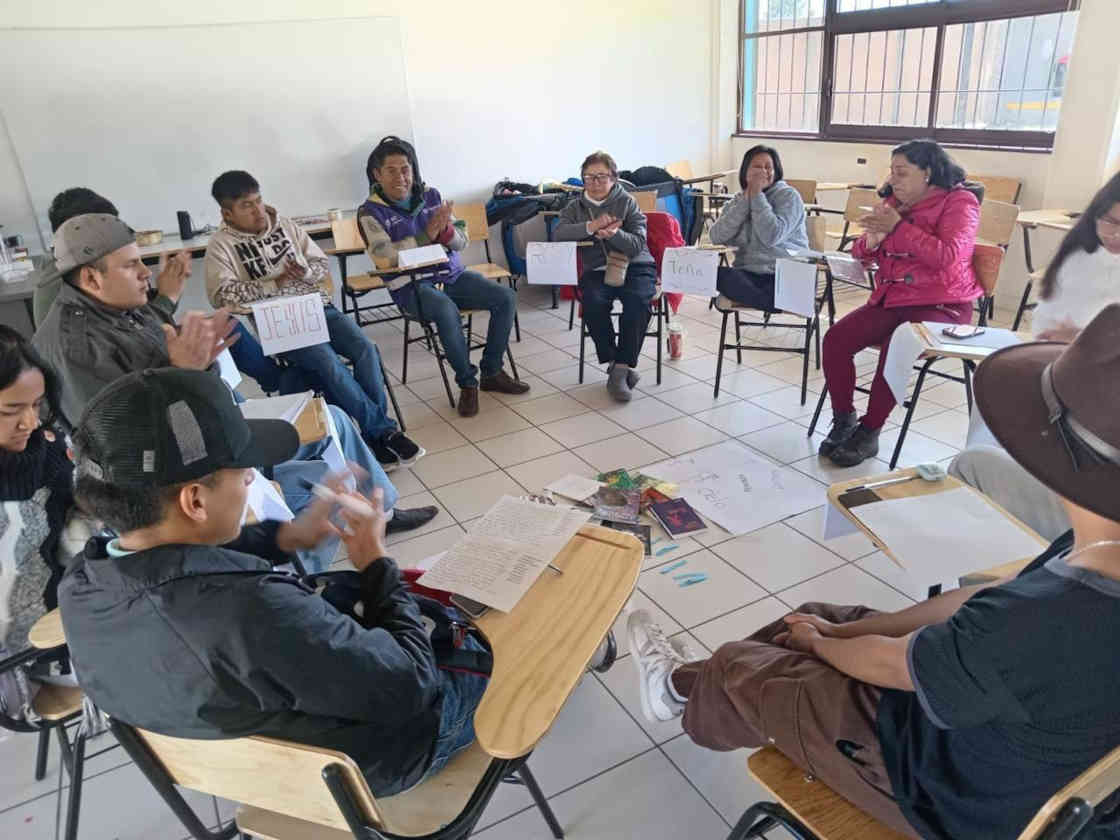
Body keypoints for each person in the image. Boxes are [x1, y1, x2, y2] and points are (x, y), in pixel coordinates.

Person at [628, 304, 1120, 840]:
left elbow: (899, 665)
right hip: (1002, 746)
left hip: (939, 789)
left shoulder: (1048, 617)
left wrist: (820, 646)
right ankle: (682, 689)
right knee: (816, 617)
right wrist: (835, 632)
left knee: (737, 663)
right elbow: (987, 603)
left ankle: (693, 693)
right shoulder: (1097, 549)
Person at [58, 367, 488, 796]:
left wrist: (285, 537)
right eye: (244, 470)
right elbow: (412, 684)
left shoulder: (82, 585)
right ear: (195, 499)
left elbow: (175, 562)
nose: (251, 477)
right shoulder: (253, 611)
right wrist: (375, 563)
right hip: (368, 769)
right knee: (489, 637)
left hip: (237, 775)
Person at [31, 214, 436, 568]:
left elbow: (148, 355)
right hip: (175, 481)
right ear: (90, 276)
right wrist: (183, 370)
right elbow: (132, 445)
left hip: (204, 428)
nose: (145, 273)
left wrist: (177, 325)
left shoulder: (105, 305)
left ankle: (381, 512)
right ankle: (299, 576)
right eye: (132, 265)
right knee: (321, 481)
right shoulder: (77, 346)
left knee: (337, 418)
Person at [205, 171, 422, 468]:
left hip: (318, 306)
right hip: (278, 323)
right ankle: (384, 431)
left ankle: (373, 437)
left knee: (366, 349)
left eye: (258, 201)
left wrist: (305, 273)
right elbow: (222, 297)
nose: (257, 210)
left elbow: (321, 264)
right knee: (327, 361)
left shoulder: (285, 225)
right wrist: (274, 284)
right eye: (246, 206)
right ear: (226, 212)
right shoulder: (221, 246)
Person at [948, 172, 1120, 539]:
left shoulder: (955, 207)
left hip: (1096, 426)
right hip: (1064, 372)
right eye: (1109, 221)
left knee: (974, 465)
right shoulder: (1083, 255)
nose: (1115, 235)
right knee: (995, 393)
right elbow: (1050, 320)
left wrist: (1085, 341)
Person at [29, 187, 311, 395]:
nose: (145, 272)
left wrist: (168, 298)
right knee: (216, 367)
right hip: (164, 407)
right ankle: (278, 384)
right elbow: (139, 413)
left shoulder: (83, 283)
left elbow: (135, 326)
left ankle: (276, 381)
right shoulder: (72, 326)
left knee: (220, 331)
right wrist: (182, 367)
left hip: (159, 379)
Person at [819, 139, 982, 467]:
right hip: (894, 299)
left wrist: (898, 227)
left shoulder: (960, 202)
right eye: (892, 172)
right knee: (835, 340)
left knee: (898, 346)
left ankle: (870, 432)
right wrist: (871, 243)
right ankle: (844, 419)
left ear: (928, 173)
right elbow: (861, 254)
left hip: (943, 304)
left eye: (902, 172)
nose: (893, 180)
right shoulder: (894, 203)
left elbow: (948, 258)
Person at [358, 136, 527, 418]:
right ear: (377, 174)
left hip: (451, 275)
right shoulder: (369, 212)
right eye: (391, 170)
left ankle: (492, 371)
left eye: (406, 169)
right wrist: (428, 235)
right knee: (446, 311)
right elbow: (385, 258)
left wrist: (446, 231)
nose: (401, 176)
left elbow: (461, 241)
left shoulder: (431, 196)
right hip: (411, 286)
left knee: (506, 297)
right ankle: (468, 383)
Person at [0, 327, 94, 722]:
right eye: (10, 410)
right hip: (20, 663)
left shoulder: (49, 447)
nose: (30, 422)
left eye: (37, 404)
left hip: (73, 617)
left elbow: (88, 514)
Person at [552, 151, 657, 403]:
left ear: (614, 178)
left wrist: (614, 235)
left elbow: (638, 243)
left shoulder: (627, 202)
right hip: (597, 270)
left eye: (602, 177)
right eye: (589, 177)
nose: (595, 183)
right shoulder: (574, 207)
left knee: (638, 302)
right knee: (593, 303)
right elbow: (559, 234)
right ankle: (616, 365)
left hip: (636, 265)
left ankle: (620, 368)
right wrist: (591, 227)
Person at [709, 144, 808, 310]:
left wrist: (757, 196)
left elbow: (771, 236)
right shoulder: (736, 201)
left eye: (769, 167)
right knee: (711, 273)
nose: (764, 172)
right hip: (748, 275)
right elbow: (716, 237)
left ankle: (778, 299)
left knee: (781, 287)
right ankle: (774, 301)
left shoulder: (789, 196)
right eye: (757, 167)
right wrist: (745, 201)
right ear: (745, 172)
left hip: (785, 274)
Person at [1032, 170, 1120, 341]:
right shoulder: (1077, 255)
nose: (1117, 235)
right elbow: (1045, 320)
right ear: (1095, 215)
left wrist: (1078, 338)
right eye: (1110, 222)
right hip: (1060, 357)